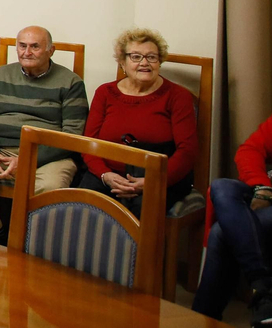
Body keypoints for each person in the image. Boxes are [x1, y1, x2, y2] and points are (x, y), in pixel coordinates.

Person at [0, 26, 88, 240]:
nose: (27, 52)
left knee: (50, 187)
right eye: (22, 46)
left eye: (35, 47)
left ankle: (34, 245)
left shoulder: (71, 83)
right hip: (0, 148)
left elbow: (72, 135)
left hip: (47, 154)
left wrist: (27, 159)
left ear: (51, 51)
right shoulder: (1, 75)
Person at [192, 98, 272, 328]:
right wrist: (263, 187)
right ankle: (269, 292)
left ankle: (200, 325)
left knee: (223, 232)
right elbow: (250, 149)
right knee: (221, 187)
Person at [75, 28, 197, 214]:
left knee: (139, 214)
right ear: (122, 62)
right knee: (82, 209)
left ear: (160, 62)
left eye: (151, 57)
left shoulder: (178, 96)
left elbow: (187, 151)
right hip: (108, 174)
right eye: (136, 57)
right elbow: (89, 143)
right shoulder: (105, 93)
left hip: (160, 178)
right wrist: (105, 175)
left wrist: (153, 181)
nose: (144, 63)